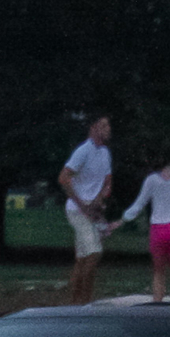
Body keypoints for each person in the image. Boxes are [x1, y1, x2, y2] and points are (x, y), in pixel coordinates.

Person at [117, 148, 170, 303]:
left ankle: (157, 303)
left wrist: (122, 220)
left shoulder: (152, 180)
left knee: (158, 272)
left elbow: (139, 204)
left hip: (158, 230)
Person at [58, 115, 114, 305]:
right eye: (104, 125)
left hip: (92, 212)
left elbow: (107, 181)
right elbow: (63, 178)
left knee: (83, 259)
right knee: (94, 253)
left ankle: (79, 303)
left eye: (108, 125)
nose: (108, 129)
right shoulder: (83, 151)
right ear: (93, 128)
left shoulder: (105, 152)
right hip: (77, 210)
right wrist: (82, 204)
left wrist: (99, 201)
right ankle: (79, 302)